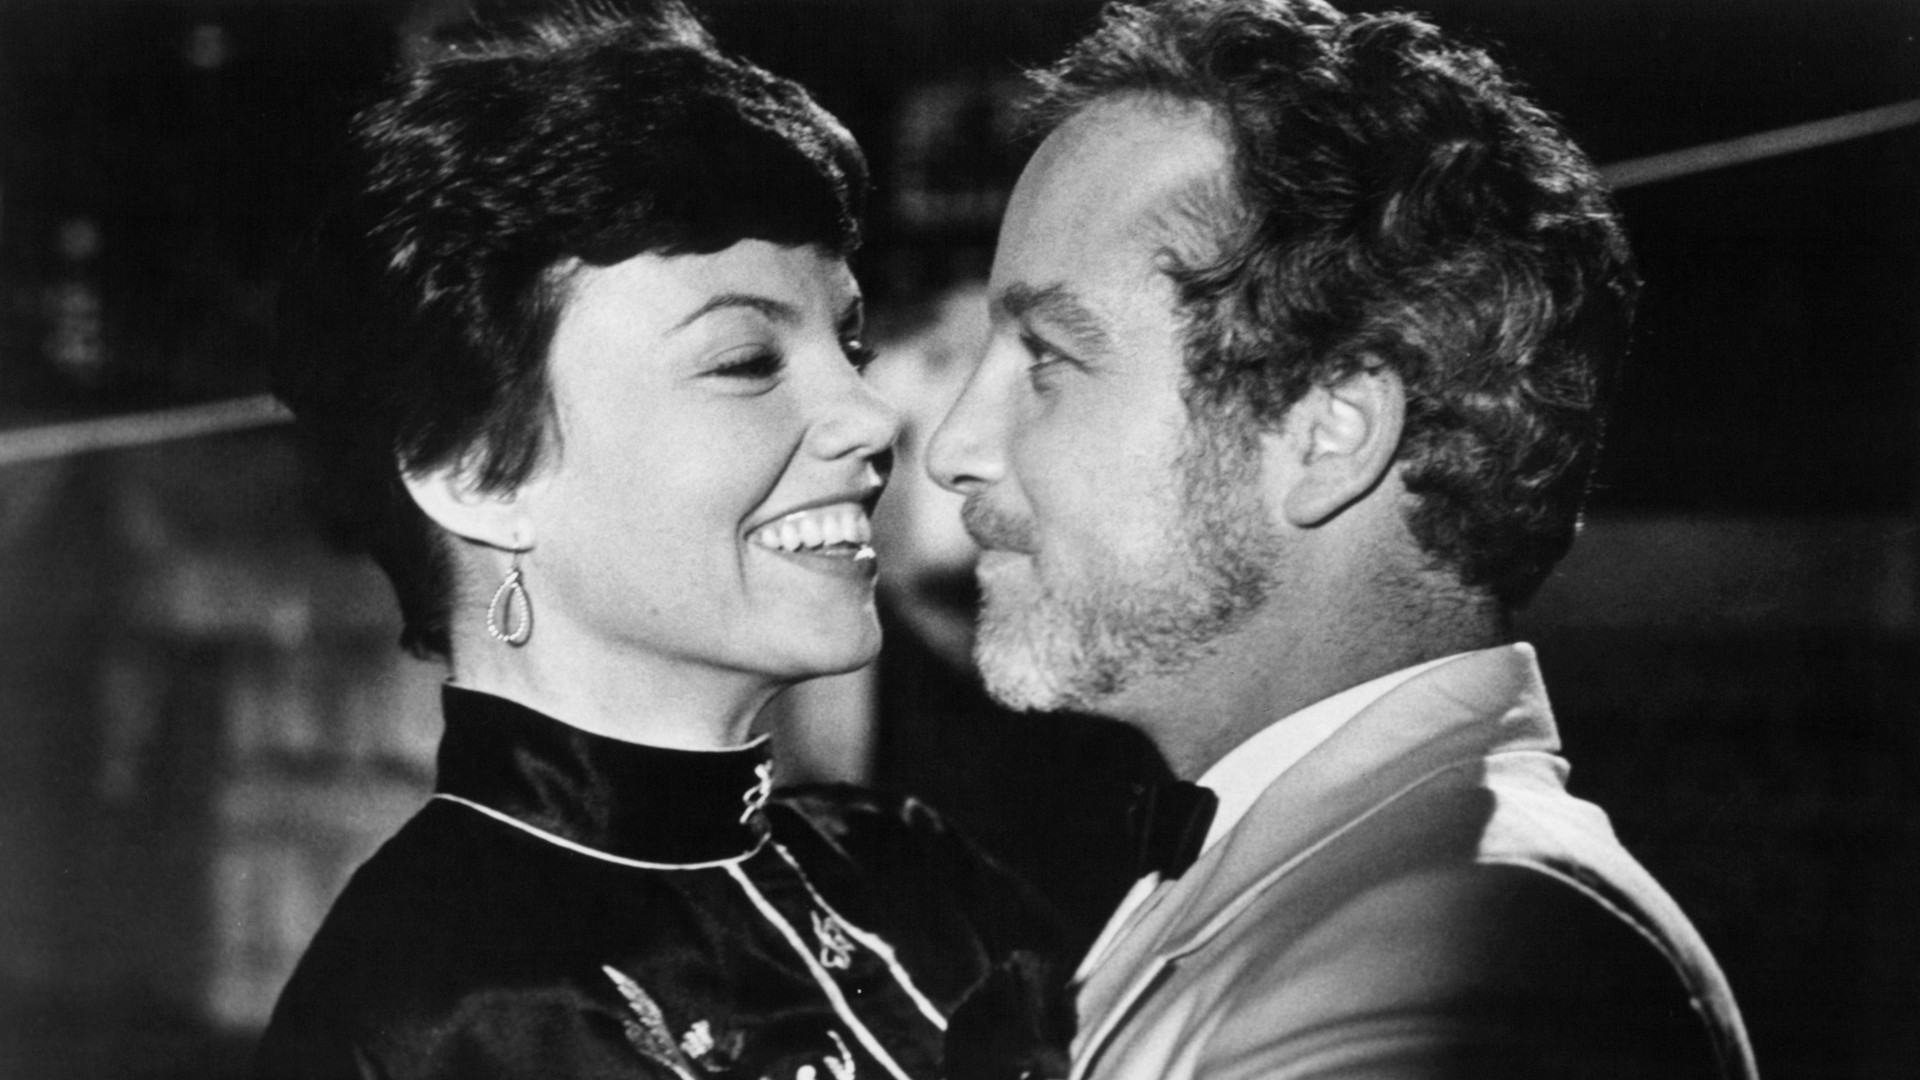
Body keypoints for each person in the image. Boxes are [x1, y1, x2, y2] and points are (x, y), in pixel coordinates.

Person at [926, 1, 1759, 1077]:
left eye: (1048, 356)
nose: (954, 447)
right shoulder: (1338, 873)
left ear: (1330, 434)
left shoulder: (1478, 948)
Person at [255, 4, 1056, 1078]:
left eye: (851, 346)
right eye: (745, 362)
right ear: (478, 473)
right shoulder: (439, 1014)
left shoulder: (916, 873)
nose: (870, 418)